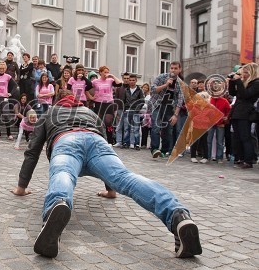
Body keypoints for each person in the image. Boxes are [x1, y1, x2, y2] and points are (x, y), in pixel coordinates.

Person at [11, 89, 202, 259]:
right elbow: (103, 138)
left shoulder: (50, 112)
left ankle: (56, 206)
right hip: (97, 142)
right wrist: (111, 190)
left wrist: (22, 186)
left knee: (63, 173)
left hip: (66, 140)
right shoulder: (90, 112)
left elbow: (32, 151)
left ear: (57, 102)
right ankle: (178, 216)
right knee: (125, 178)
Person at [228, 62, 259, 169]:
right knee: (237, 137)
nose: (243, 74)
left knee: (245, 137)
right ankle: (240, 158)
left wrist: (238, 81)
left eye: (246, 72)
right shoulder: (244, 83)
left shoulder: (256, 83)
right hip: (237, 111)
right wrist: (232, 82)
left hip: (246, 112)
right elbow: (233, 93)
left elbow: (246, 95)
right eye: (243, 72)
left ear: (252, 72)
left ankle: (248, 161)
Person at [150, 61, 184, 158]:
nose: (173, 70)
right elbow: (153, 89)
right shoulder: (162, 77)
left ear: (179, 70)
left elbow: (180, 100)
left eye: (175, 68)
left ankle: (164, 150)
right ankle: (155, 149)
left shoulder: (180, 83)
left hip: (169, 107)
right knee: (156, 127)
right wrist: (165, 85)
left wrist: (176, 115)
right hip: (157, 104)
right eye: (171, 68)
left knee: (168, 130)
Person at [90, 65, 121, 145]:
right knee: (98, 123)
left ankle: (110, 141)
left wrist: (112, 76)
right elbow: (87, 88)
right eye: (105, 72)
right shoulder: (95, 81)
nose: (106, 74)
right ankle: (98, 140)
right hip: (99, 103)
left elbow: (119, 83)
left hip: (109, 103)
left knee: (108, 122)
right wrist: (91, 97)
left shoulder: (110, 80)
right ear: (100, 73)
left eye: (107, 72)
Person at [0, 61, 18, 140]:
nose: (1, 70)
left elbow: (15, 86)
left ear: (5, 69)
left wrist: (10, 93)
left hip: (5, 98)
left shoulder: (8, 76)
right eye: (0, 68)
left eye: (3, 68)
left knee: (6, 116)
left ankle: (9, 134)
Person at [207, 85, 231, 163]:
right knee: (208, 140)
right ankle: (208, 156)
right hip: (210, 123)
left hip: (220, 123)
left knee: (220, 142)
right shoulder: (209, 100)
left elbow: (229, 111)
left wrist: (226, 117)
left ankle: (219, 157)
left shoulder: (224, 101)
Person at [122, 74, 144, 149]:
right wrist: (124, 109)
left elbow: (142, 101)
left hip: (136, 111)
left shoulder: (139, 90)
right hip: (127, 111)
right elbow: (123, 100)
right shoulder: (126, 90)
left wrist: (137, 109)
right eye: (130, 80)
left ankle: (136, 144)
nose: (131, 82)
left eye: (133, 80)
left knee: (136, 128)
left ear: (136, 80)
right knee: (126, 128)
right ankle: (126, 142)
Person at [140, 83, 151, 149]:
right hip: (141, 113)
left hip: (147, 114)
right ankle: (143, 143)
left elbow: (147, 105)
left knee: (148, 129)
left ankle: (150, 144)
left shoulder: (149, 96)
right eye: (144, 87)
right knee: (143, 129)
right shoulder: (141, 95)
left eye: (146, 88)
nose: (144, 89)